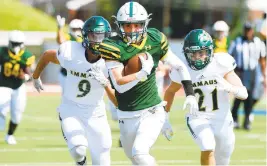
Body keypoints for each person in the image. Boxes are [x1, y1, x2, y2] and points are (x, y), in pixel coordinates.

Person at [98, 2, 198, 165]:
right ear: (119, 25)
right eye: (127, 26)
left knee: (140, 152)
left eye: (137, 25)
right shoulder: (112, 46)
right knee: (133, 157)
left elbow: (179, 66)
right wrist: (141, 73)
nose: (132, 30)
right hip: (126, 113)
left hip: (151, 110)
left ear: (145, 24)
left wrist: (190, 94)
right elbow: (119, 86)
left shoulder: (155, 39)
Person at [32, 16, 116, 165]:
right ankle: (80, 162)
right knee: (78, 150)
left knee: (102, 159)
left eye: (100, 36)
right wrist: (35, 76)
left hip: (96, 112)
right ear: (84, 36)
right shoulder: (70, 51)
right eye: (93, 35)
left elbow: (117, 101)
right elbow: (47, 56)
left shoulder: (111, 60)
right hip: (71, 109)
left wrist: (105, 83)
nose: (97, 40)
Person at [164, 29, 248, 166]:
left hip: (223, 118)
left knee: (223, 158)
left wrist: (229, 87)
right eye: (193, 53)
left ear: (210, 51)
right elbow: (170, 91)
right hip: (198, 117)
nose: (197, 57)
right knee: (207, 145)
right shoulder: (183, 68)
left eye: (201, 53)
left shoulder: (221, 63)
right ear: (186, 53)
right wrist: (165, 117)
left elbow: (244, 93)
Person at [228, 21, 266, 130]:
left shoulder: (258, 42)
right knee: (239, 96)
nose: (247, 32)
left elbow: (262, 60)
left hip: (252, 72)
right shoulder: (237, 41)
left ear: (252, 30)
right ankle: (234, 118)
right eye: (246, 29)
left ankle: (247, 121)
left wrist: (264, 75)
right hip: (240, 72)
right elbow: (230, 57)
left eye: (249, 29)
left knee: (250, 98)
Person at [0, 30, 35, 145]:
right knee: (2, 109)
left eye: (17, 43)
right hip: (3, 85)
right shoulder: (2, 52)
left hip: (18, 87)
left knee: (17, 114)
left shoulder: (27, 56)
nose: (15, 46)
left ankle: (9, 135)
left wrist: (25, 76)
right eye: (14, 43)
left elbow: (29, 73)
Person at [56, 15, 84, 90]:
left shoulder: (86, 38)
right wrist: (59, 28)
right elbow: (60, 41)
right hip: (66, 74)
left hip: (81, 74)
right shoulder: (69, 37)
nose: (76, 31)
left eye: (78, 29)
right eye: (74, 29)